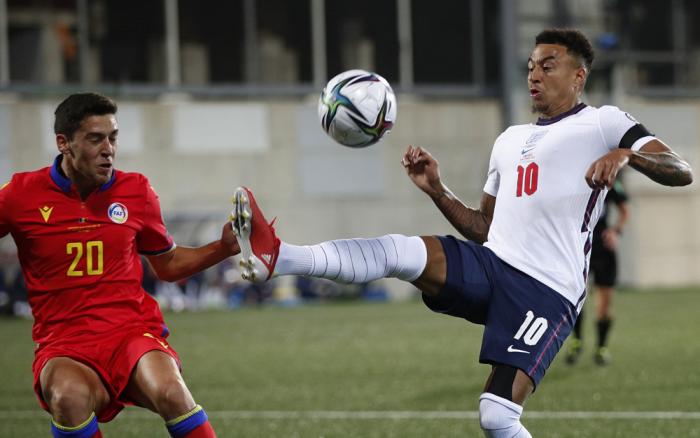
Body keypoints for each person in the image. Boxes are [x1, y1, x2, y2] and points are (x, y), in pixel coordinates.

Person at [230, 29, 693, 437]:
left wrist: (627, 155)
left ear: (578, 76)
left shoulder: (604, 122)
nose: (534, 76)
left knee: (497, 416)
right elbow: (484, 228)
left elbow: (679, 169)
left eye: (548, 66)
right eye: (530, 66)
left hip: (548, 289)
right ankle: (280, 256)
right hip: (494, 266)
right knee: (400, 251)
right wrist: (437, 190)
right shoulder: (509, 140)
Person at [0, 93, 240, 438]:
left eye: (113, 138)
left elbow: (168, 265)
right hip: (63, 342)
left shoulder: (136, 190)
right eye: (95, 139)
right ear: (64, 143)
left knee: (171, 391)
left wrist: (223, 248)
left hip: (130, 333)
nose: (108, 149)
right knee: (67, 397)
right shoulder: (21, 194)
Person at [566, 178, 629, 366]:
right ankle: (577, 342)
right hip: (578, 247)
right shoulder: (573, 179)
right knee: (575, 298)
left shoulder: (608, 179)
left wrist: (616, 231)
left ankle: (601, 347)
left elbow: (625, 209)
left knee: (604, 302)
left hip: (602, 248)